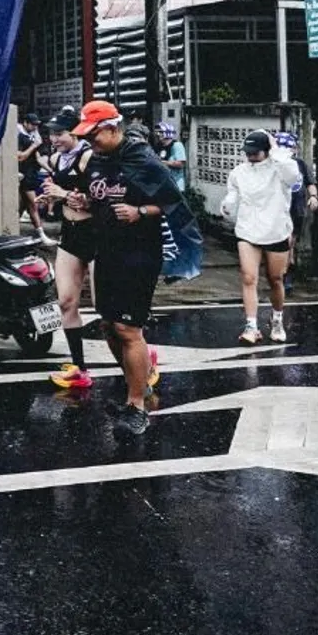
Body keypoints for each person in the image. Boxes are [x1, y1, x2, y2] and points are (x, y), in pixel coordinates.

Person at [73, 100, 201, 439]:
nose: (90, 142)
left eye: (94, 135)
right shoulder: (98, 160)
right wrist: (83, 202)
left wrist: (140, 211)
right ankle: (137, 388)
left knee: (128, 329)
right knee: (108, 326)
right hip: (108, 251)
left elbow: (174, 202)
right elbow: (96, 196)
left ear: (113, 129)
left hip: (139, 253)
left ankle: (137, 405)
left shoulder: (143, 159)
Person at [34, 110, 98, 391]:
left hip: (97, 236)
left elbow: (102, 201)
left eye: (59, 134)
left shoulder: (90, 158)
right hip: (70, 235)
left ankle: (144, 361)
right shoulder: (58, 159)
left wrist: (64, 195)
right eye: (51, 134)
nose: (53, 139)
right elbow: (61, 194)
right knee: (66, 303)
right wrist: (49, 197)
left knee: (108, 310)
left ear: (76, 133)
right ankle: (80, 369)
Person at [219, 130, 303, 344]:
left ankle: (276, 319)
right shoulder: (239, 171)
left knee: (275, 279)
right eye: (247, 152)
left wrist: (277, 151)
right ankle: (251, 325)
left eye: (255, 152)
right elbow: (233, 191)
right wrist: (228, 203)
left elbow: (293, 177)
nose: (251, 156)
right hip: (248, 230)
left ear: (267, 151)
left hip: (276, 230)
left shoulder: (280, 169)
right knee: (248, 277)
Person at [276, 130, 318, 286]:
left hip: (296, 208)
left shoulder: (299, 164)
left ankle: (287, 272)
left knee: (290, 242)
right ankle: (284, 271)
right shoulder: (270, 164)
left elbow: (310, 182)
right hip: (277, 209)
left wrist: (313, 197)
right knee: (284, 242)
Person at [17, 112, 54, 247]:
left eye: (36, 125)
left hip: (30, 174)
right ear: (25, 123)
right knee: (32, 205)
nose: (35, 127)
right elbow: (20, 157)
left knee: (23, 207)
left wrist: (51, 171)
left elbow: (38, 158)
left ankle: (14, 235)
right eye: (32, 124)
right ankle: (42, 235)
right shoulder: (17, 135)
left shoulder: (32, 136)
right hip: (22, 175)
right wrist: (34, 145)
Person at [156, 122, 188, 194]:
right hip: (163, 185)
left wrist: (163, 162)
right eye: (158, 132)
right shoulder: (159, 146)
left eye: (161, 132)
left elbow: (181, 164)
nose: (158, 134)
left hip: (176, 185)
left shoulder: (177, 145)